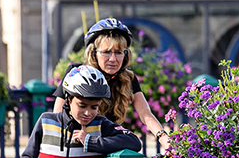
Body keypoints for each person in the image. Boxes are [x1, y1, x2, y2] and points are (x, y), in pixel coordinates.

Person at [52, 18, 171, 150]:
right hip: (77, 143)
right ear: (93, 54)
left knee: (135, 144)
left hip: (105, 144)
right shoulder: (76, 74)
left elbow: (145, 114)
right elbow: (57, 115)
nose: (113, 59)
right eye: (106, 52)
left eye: (119, 52)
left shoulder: (128, 78)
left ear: (125, 55)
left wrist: (164, 139)